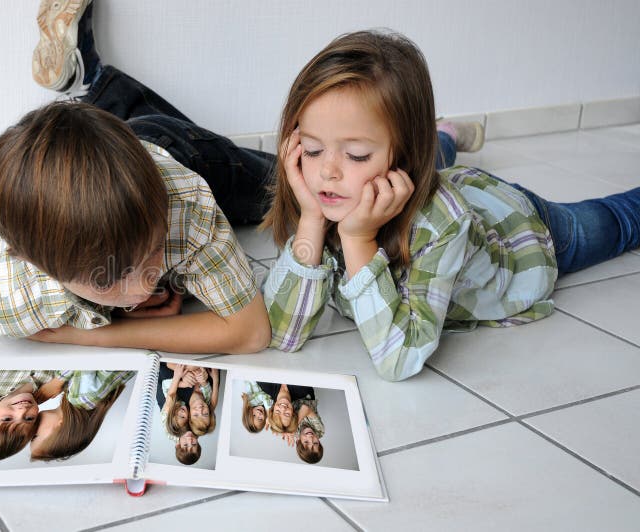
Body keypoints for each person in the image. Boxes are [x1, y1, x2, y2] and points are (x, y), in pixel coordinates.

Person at [261, 30, 640, 381]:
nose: (326, 171)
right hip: (442, 184)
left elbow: (399, 360)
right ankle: (446, 135)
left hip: (518, 226)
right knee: (429, 163)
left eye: (356, 155)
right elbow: (281, 332)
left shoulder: (444, 223)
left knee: (616, 223)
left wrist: (358, 239)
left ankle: (442, 137)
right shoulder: (324, 193)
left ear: (405, 157)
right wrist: (311, 220)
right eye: (311, 148)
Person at [0, 0, 272, 355]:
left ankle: (94, 82)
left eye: (154, 250)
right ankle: (92, 77)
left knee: (287, 186)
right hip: (119, 142)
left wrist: (94, 334)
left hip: (183, 153)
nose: (141, 289)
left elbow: (252, 332)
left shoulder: (184, 204)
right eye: (107, 278)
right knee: (136, 126)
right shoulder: (11, 292)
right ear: (35, 264)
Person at [0, 370, 67, 462]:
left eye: (7, 419)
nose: (23, 410)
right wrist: (60, 381)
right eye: (29, 419)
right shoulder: (55, 388)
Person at [30, 370, 134, 461]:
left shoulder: (77, 397)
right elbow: (84, 357)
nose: (31, 429)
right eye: (34, 436)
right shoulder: (83, 398)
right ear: (59, 429)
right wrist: (56, 382)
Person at [156, 363, 191, 442]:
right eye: (183, 416)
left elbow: (167, 387)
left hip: (168, 406)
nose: (180, 412)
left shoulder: (169, 407)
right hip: (173, 409)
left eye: (177, 414)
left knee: (162, 372)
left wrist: (179, 378)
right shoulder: (189, 427)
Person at [293, 398, 324, 464]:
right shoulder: (320, 431)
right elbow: (306, 408)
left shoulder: (294, 433)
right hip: (306, 395)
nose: (310, 437)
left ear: (298, 441)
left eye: (306, 442)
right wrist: (294, 426)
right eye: (315, 443)